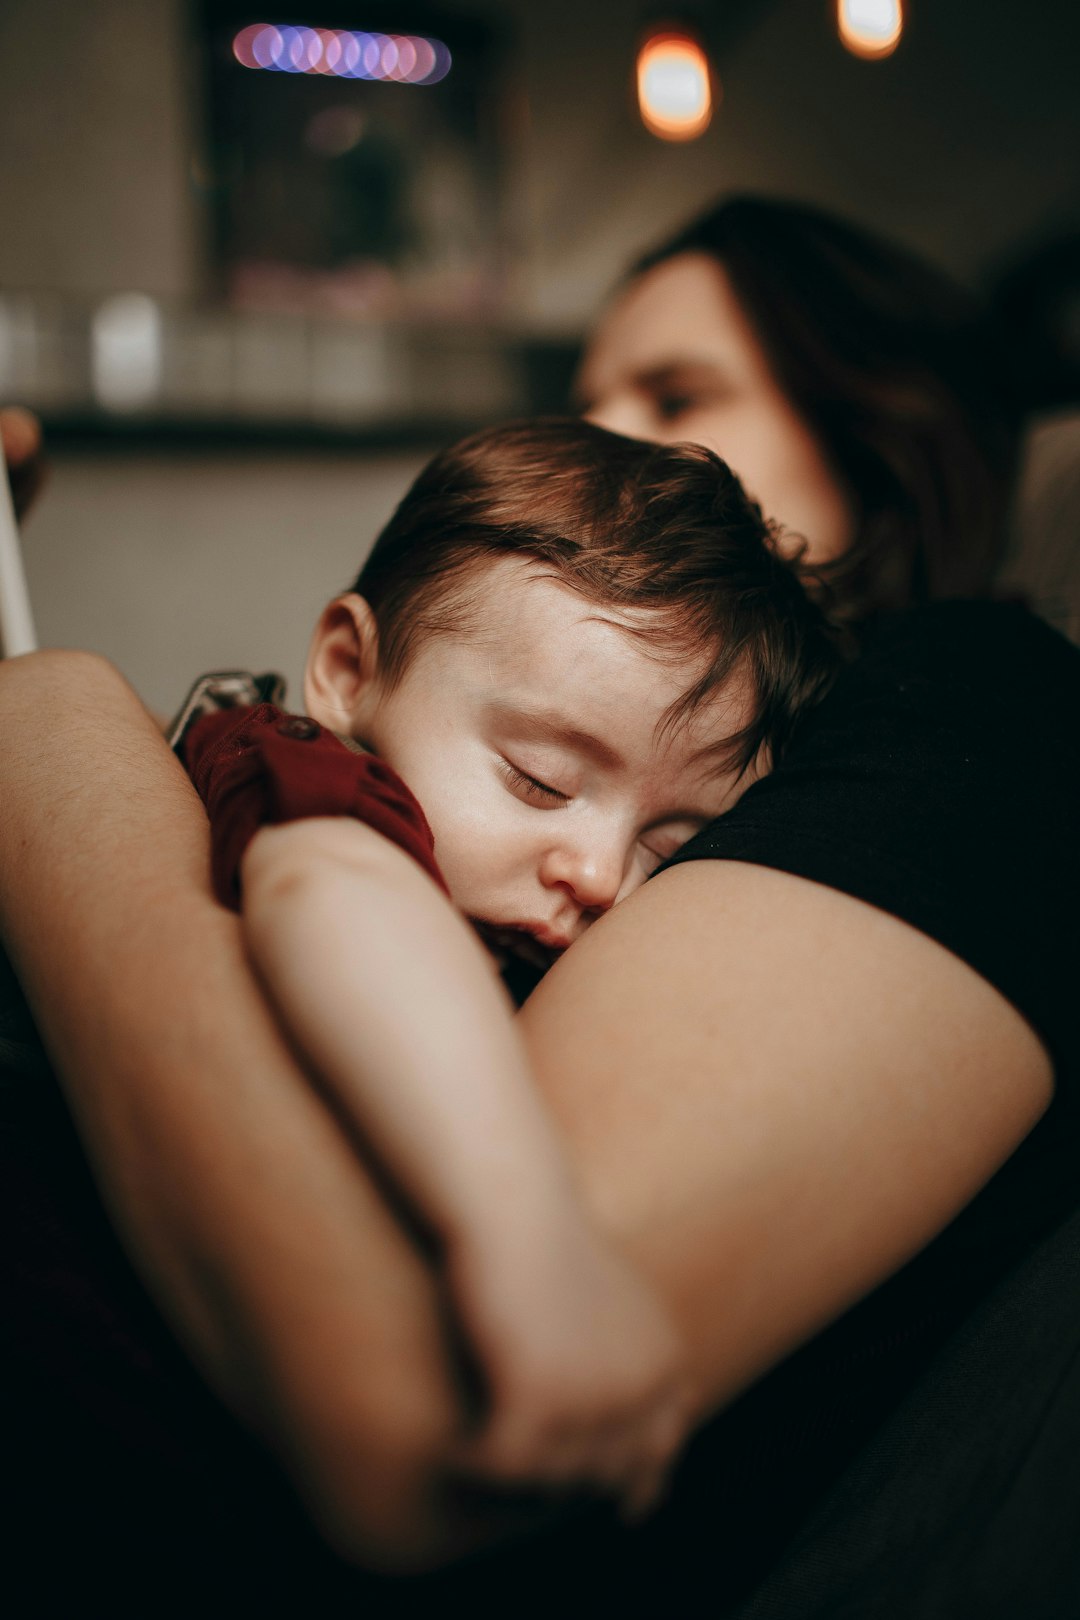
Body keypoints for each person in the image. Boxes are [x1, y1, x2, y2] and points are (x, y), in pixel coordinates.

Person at [0, 194, 1076, 1615]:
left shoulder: (980, 707)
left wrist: (55, 745)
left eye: (678, 393)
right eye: (589, 398)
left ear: (888, 452)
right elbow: (335, 898)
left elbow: (406, 1397)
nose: (618, 437)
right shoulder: (333, 786)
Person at [173, 417, 839, 1517]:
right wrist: (531, 1243)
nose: (597, 870)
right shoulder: (295, 766)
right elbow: (340, 898)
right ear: (347, 670)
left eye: (674, 847)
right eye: (538, 780)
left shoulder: (544, 922)